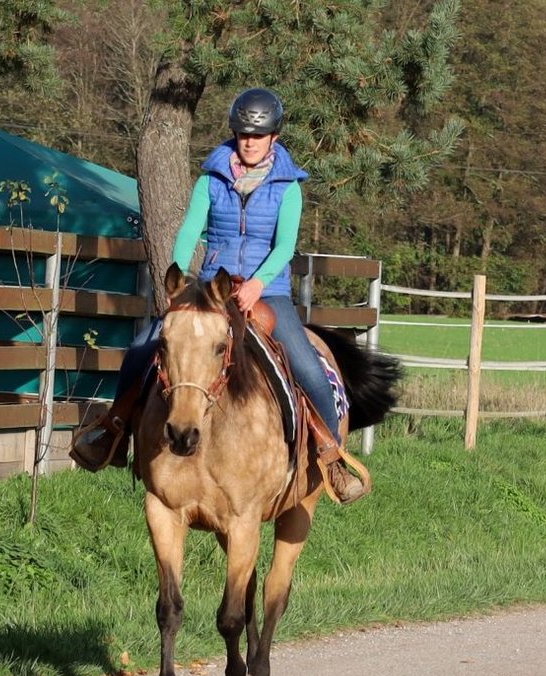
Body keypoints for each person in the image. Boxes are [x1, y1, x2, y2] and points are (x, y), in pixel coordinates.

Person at [70, 88, 367, 504]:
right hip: (209, 288)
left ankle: (331, 457)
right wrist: (179, 279)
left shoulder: (289, 187)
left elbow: (285, 246)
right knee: (141, 347)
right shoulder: (211, 179)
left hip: (268, 292)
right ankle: (113, 432)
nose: (249, 141)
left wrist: (259, 283)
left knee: (308, 368)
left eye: (258, 135)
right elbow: (190, 230)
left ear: (274, 139)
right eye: (243, 133)